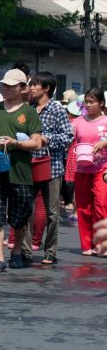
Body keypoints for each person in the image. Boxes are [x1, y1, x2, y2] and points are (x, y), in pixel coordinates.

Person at [0, 69, 43, 272]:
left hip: (20, 173)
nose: (5, 89)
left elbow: (37, 143)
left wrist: (16, 143)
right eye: (4, 85)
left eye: (11, 86)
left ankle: (16, 253)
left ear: (22, 88)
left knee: (19, 217)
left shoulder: (29, 112)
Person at [22, 72, 73, 265]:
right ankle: (26, 251)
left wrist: (48, 138)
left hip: (52, 168)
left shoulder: (57, 109)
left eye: (35, 85)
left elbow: (68, 137)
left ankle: (50, 251)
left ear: (46, 88)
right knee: (27, 210)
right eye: (30, 85)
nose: (31, 88)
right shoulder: (29, 109)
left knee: (53, 213)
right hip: (31, 166)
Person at [70, 87, 107, 256]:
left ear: (101, 103)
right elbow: (67, 139)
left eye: (92, 102)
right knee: (83, 208)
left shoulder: (106, 121)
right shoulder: (78, 122)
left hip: (103, 169)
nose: (88, 105)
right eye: (86, 102)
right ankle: (87, 245)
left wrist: (104, 143)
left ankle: (102, 244)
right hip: (82, 169)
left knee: (101, 206)